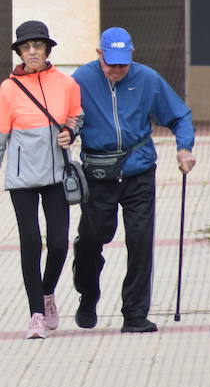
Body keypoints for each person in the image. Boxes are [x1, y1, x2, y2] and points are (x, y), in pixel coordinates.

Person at [72, 27, 196, 333]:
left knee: (140, 241)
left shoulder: (147, 79)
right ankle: (88, 296)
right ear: (99, 54)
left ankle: (135, 313)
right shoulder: (80, 80)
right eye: (110, 62)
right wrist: (67, 131)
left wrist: (184, 147)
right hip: (98, 174)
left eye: (122, 63)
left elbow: (179, 115)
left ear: (131, 56)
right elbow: (68, 118)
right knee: (90, 240)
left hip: (138, 171)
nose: (116, 69)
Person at [0, 21, 83, 339]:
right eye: (26, 47)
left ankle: (48, 293)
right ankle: (36, 312)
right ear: (20, 53)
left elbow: (77, 116)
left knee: (60, 243)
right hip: (22, 179)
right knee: (30, 243)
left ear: (48, 50)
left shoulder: (66, 84)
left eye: (38, 46)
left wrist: (70, 131)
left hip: (56, 176)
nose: (33, 51)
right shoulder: (8, 89)